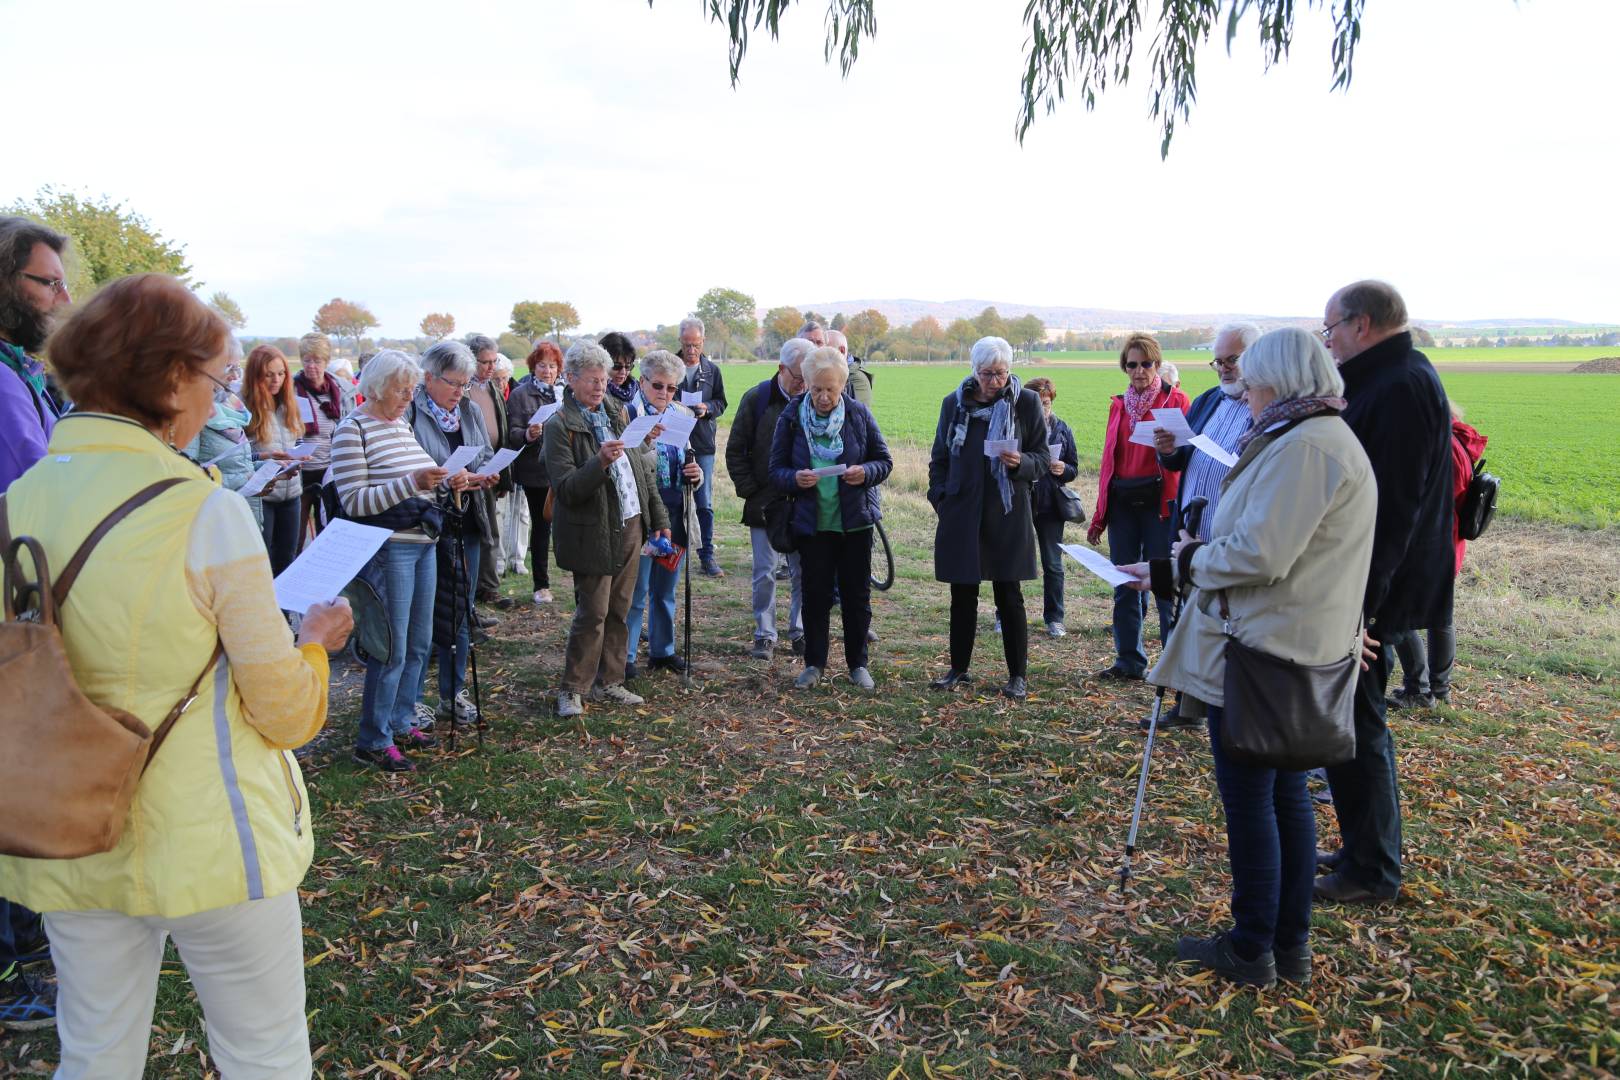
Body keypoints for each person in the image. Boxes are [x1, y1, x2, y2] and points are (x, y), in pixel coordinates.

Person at [0, 272, 353, 1073]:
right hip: (211, 836)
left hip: (68, 825)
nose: (214, 395)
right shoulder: (204, 509)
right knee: (263, 1051)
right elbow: (285, 712)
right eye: (213, 376)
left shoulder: (17, 501)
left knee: (93, 1050)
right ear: (167, 377)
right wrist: (318, 643)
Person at [1120, 326, 1376, 988]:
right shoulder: (1312, 439)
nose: (1247, 396)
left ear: (1280, 383)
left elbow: (1262, 554)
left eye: (1253, 384)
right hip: (1284, 642)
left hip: (1267, 649)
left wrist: (1188, 557)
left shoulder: (1308, 448)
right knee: (1283, 793)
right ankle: (1285, 944)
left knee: (1255, 801)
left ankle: (1254, 944)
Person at [1317, 280, 1455, 905]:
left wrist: (1364, 608)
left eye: (1332, 329)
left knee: (1361, 722)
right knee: (1352, 718)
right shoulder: (1393, 374)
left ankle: (1372, 870)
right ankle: (1360, 847)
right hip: (1371, 583)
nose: (1330, 342)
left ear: (1363, 324)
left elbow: (1394, 508)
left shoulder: (1398, 386)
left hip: (1375, 588)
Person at [0, 215, 72, 1033]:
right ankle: (18, 972)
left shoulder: (23, 372)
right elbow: (36, 493)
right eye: (43, 283)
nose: (59, 298)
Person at [331, 350, 453, 772]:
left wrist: (453, 481)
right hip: (389, 547)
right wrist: (413, 482)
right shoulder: (352, 429)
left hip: (423, 541)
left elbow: (420, 479)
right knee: (391, 647)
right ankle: (373, 739)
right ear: (378, 387)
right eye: (401, 390)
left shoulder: (400, 425)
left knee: (420, 642)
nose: (408, 397)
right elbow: (354, 501)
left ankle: (402, 718)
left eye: (410, 390)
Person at [545, 340, 671, 718]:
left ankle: (611, 681)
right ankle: (573, 688)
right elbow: (566, 489)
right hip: (591, 529)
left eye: (603, 379)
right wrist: (598, 462)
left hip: (631, 523)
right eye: (591, 380)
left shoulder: (619, 411)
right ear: (570, 379)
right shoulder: (559, 425)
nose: (600, 387)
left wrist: (659, 520)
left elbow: (642, 474)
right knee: (593, 612)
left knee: (621, 608)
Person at [926, 337, 1050, 699]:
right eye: (987, 374)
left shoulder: (1025, 402)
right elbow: (939, 458)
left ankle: (1018, 677)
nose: (995, 381)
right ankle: (958, 669)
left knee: (1008, 595)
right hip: (962, 512)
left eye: (1001, 373)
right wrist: (942, 499)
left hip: (1007, 512)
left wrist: (1020, 463)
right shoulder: (954, 404)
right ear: (973, 371)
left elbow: (1041, 458)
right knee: (961, 594)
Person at [770, 347, 893, 689]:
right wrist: (795, 478)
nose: (824, 397)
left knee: (856, 597)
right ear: (806, 384)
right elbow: (775, 470)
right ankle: (814, 664)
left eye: (831, 389)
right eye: (816, 389)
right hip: (813, 524)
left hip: (855, 523)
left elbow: (884, 461)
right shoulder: (792, 418)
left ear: (842, 386)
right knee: (815, 596)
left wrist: (864, 472)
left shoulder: (858, 415)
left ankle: (858, 665)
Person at [1087, 333, 1191, 681]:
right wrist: (1101, 514)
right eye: (1132, 364)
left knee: (1164, 586)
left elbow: (1187, 458)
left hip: (1160, 504)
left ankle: (1171, 666)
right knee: (1124, 582)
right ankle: (1129, 661)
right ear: (1124, 367)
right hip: (1123, 503)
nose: (1139, 370)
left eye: (1146, 363)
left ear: (1157, 365)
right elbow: (1108, 461)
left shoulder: (1177, 402)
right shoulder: (1118, 405)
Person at [407, 341, 500, 728]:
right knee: (424, 615)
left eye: (465, 384)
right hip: (427, 522)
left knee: (461, 609)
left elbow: (479, 454)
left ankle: (453, 692)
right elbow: (408, 467)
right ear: (428, 377)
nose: (459, 392)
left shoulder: (468, 409)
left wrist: (485, 473)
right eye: (452, 383)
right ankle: (409, 701)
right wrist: (447, 477)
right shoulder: (409, 412)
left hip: (468, 518)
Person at [1388, 402, 1486, 710]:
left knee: (1397, 612)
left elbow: (1429, 501)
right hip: (1448, 542)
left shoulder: (1443, 448)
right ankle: (1438, 688)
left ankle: (1420, 688)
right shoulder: (1459, 441)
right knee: (1439, 616)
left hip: (1430, 543)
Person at [727, 338, 811, 659]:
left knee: (803, 571)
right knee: (764, 571)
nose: (803, 384)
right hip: (764, 502)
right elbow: (735, 450)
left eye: (808, 378)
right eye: (798, 377)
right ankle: (765, 634)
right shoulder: (756, 399)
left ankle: (800, 631)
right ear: (781, 369)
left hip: (803, 502)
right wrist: (751, 491)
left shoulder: (813, 401)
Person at [624, 350, 704, 677]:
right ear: (642, 381)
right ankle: (626, 657)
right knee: (637, 590)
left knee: (665, 589)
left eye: (672, 388)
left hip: (675, 512)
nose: (664, 393)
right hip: (643, 517)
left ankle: (663, 650)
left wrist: (695, 474)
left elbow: (687, 454)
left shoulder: (682, 413)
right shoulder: (629, 414)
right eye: (658, 385)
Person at [1154, 323, 1260, 541]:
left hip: (1232, 540)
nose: (1224, 368)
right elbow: (1180, 460)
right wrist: (1168, 451)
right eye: (1218, 362)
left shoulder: (1266, 408)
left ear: (1257, 356)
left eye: (1232, 360)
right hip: (1188, 532)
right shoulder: (1206, 401)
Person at [182, 337, 264, 528]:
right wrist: (244, 480)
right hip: (219, 524)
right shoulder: (195, 412)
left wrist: (264, 467)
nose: (235, 376)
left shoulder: (229, 405)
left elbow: (234, 465)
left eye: (237, 368)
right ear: (207, 368)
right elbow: (190, 478)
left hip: (245, 515)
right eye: (229, 368)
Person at [507, 341, 565, 604]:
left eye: (552, 366)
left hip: (565, 466)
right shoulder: (520, 395)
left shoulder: (565, 393)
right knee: (542, 525)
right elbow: (511, 433)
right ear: (533, 366)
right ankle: (541, 584)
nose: (547, 371)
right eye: (542, 365)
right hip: (535, 470)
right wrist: (528, 434)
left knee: (567, 523)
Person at [242, 344, 306, 575]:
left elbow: (296, 441)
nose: (276, 380)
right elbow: (237, 457)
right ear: (255, 376)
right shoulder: (243, 408)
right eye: (268, 375)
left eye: (281, 374)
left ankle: (285, 611)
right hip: (262, 497)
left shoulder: (290, 404)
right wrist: (268, 458)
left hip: (292, 494)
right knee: (262, 561)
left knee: (287, 558)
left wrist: (300, 455)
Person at [1023, 377, 1080, 638]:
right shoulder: (1016, 427)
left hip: (1050, 504)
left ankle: (1055, 618)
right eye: (1037, 404)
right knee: (1014, 560)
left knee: (1053, 564)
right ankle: (1006, 614)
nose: (1043, 409)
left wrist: (1063, 469)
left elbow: (1073, 468)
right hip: (1021, 500)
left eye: (1046, 404)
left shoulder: (1062, 428)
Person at [676, 317, 728, 577]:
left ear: (703, 342)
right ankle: (674, 554)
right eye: (687, 345)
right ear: (680, 342)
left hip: (703, 444)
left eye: (696, 345)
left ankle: (707, 555)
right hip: (674, 441)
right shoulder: (670, 367)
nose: (691, 350)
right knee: (674, 500)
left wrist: (707, 409)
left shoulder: (712, 371)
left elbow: (721, 402)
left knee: (704, 502)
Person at [465, 335, 512, 609]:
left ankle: (488, 586)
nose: (490, 367)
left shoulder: (492, 389)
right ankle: (475, 588)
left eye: (494, 361)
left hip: (492, 468)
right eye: (485, 362)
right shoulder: (463, 391)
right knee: (476, 532)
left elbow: (501, 430)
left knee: (491, 530)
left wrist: (504, 475)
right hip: (470, 471)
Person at [293, 332, 345, 543]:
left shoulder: (341, 391)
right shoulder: (291, 389)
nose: (311, 366)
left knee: (327, 530)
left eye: (317, 360)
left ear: (327, 361)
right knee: (296, 533)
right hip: (300, 472)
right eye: (307, 360)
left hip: (329, 471)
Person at [825, 328, 873, 407]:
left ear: (842, 350)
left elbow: (858, 415)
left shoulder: (856, 378)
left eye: (827, 351)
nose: (822, 355)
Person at [602, 330, 640, 406]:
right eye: (617, 366)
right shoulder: (596, 393)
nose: (623, 372)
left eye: (628, 366)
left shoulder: (638, 387)